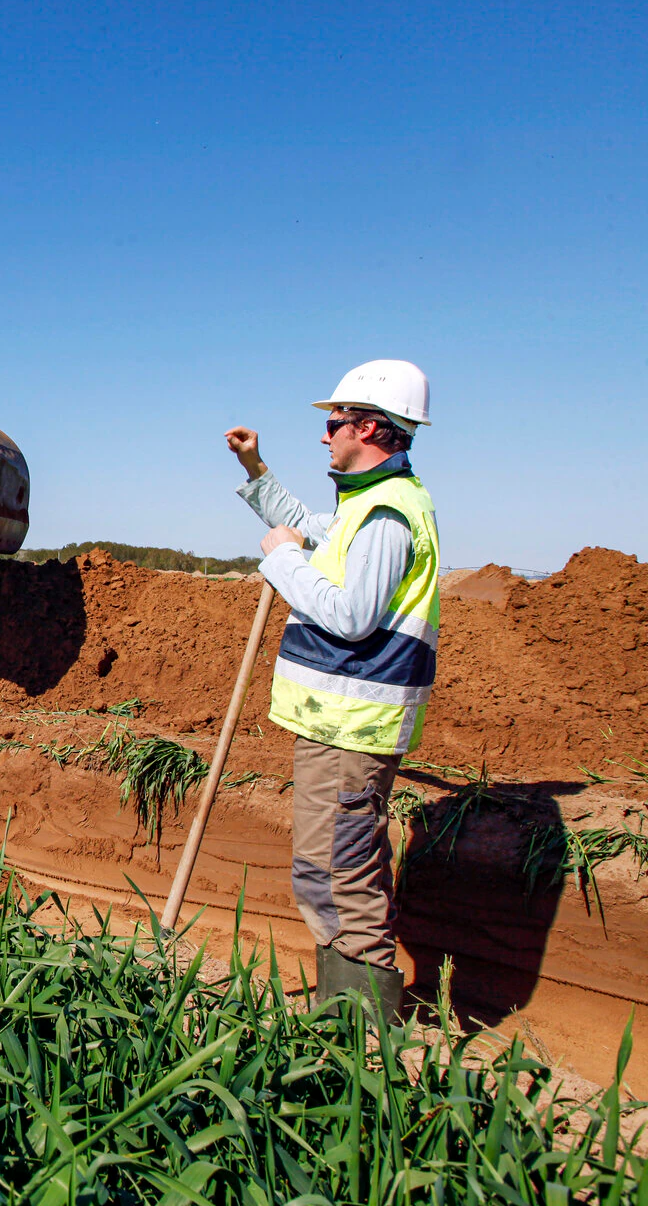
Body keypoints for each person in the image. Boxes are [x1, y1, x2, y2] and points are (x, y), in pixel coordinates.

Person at [224, 359, 439, 1021]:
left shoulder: (386, 517)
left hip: (357, 729)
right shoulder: (361, 508)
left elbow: (351, 615)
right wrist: (256, 471)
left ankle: (369, 1030)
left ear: (369, 427)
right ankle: (342, 1016)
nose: (325, 435)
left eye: (334, 422)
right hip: (334, 724)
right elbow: (302, 523)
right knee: (320, 872)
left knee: (344, 874)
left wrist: (282, 558)